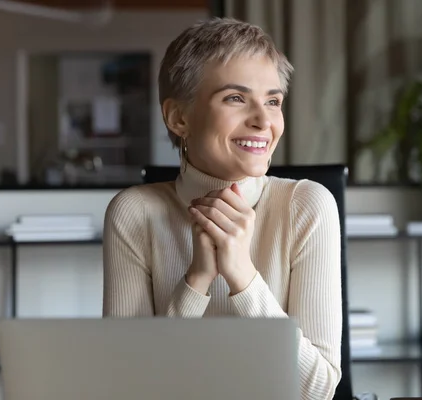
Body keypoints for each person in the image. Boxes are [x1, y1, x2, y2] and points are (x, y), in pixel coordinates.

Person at [102, 17, 342, 400]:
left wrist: (242, 276)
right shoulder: (133, 213)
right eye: (236, 98)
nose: (264, 120)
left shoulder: (309, 206)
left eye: (273, 101)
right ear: (178, 118)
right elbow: (130, 385)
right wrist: (196, 280)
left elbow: (316, 390)